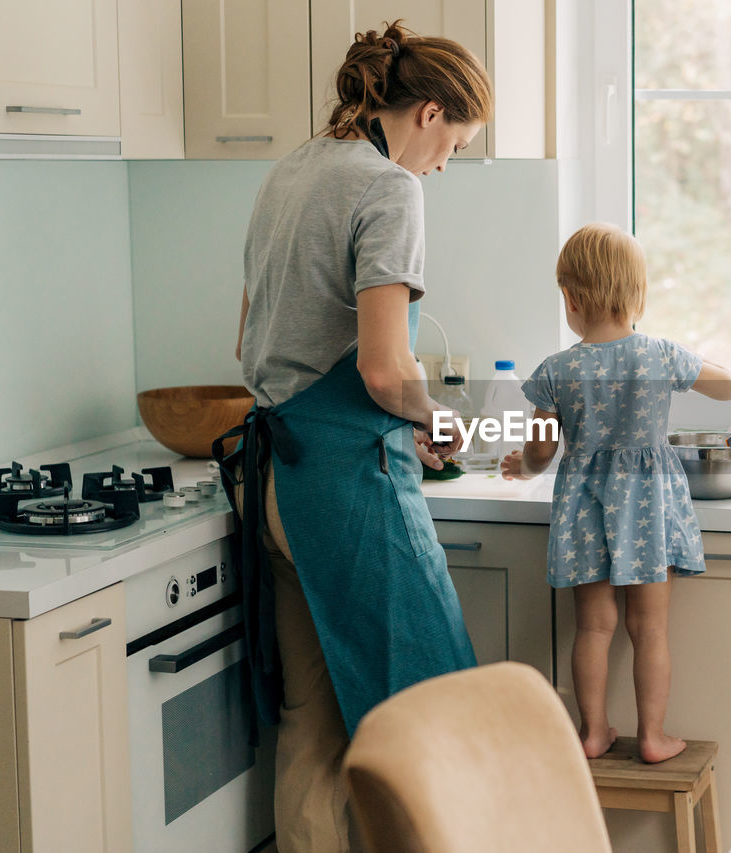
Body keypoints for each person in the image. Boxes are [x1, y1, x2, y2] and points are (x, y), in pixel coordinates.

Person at [220, 21, 492, 852]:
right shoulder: (388, 187)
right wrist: (436, 417)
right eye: (456, 144)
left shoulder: (294, 168)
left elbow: (250, 339)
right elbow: (382, 369)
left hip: (274, 482)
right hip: (343, 487)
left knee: (315, 719)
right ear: (430, 113)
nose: (445, 166)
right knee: (424, 708)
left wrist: (403, 416)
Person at [500, 223, 731, 762]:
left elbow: (542, 451)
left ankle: (592, 732)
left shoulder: (557, 371)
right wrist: (691, 359)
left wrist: (525, 465)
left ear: (571, 298)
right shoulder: (659, 355)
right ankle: (653, 737)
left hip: (585, 508)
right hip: (648, 507)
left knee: (593, 626)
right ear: (637, 296)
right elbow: (729, 387)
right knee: (649, 628)